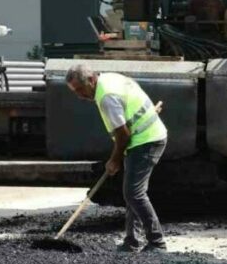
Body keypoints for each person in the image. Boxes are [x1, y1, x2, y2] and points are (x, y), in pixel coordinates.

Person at [65, 64, 168, 252]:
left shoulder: (106, 98)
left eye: (80, 90)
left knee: (134, 193)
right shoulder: (108, 78)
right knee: (131, 192)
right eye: (75, 92)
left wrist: (114, 159)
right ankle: (132, 241)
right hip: (143, 137)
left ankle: (157, 242)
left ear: (91, 80)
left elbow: (123, 135)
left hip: (147, 140)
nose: (79, 96)